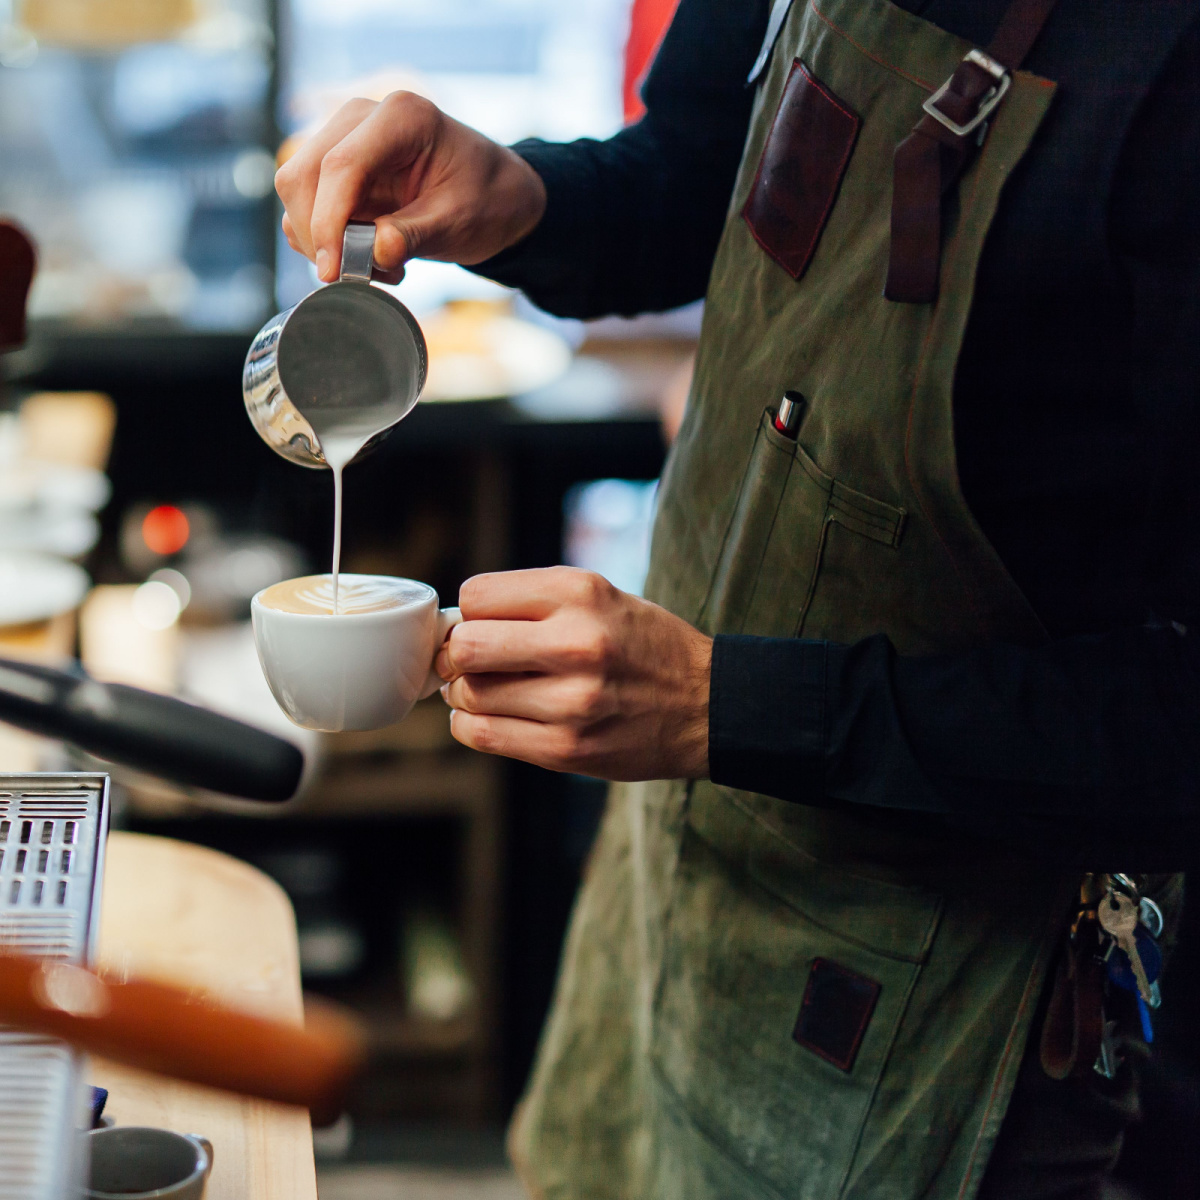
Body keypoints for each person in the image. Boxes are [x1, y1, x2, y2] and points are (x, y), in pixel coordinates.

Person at [275, 0, 1200, 1194]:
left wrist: (730, 703)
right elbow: (697, 175)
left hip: (946, 1005)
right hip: (681, 865)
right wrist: (522, 195)